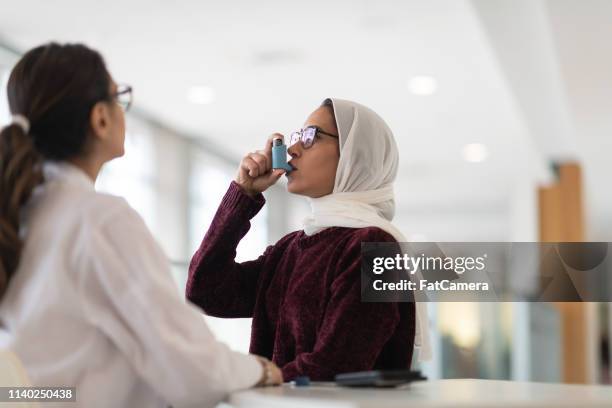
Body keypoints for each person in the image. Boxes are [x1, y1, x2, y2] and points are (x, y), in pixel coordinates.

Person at [0, 42, 281, 408]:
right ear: (100, 118)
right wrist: (260, 370)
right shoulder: (98, 219)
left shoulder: (20, 215)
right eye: (120, 97)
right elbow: (193, 370)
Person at [187, 98, 431, 381]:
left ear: (355, 155)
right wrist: (243, 194)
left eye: (310, 137)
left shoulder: (376, 247)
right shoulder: (289, 249)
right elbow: (204, 292)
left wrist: (248, 379)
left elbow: (336, 368)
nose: (291, 150)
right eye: (296, 137)